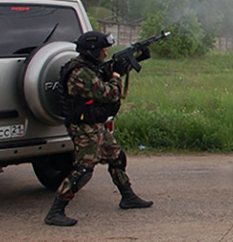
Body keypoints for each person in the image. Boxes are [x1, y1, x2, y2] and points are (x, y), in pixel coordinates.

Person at [44, 31, 153, 227]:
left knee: (116, 157)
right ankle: (56, 211)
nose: (105, 52)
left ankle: (127, 197)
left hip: (96, 125)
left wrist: (136, 57)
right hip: (84, 128)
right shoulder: (80, 73)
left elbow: (108, 72)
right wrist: (117, 74)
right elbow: (110, 93)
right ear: (92, 51)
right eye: (103, 49)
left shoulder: (89, 67)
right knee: (83, 169)